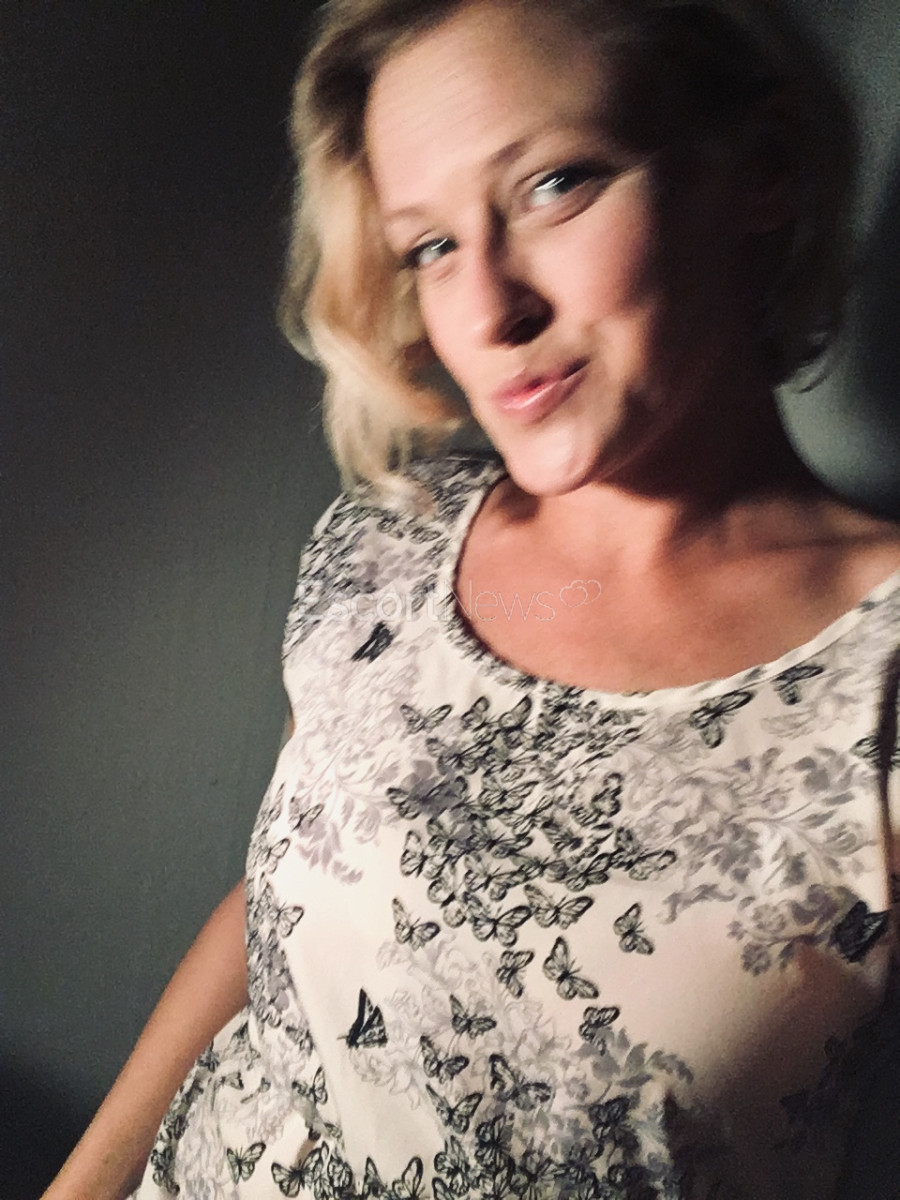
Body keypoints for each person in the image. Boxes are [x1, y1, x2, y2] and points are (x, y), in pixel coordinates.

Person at [43, 0, 900, 1197]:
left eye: (555, 185)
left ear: (762, 165)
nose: (491, 312)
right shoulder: (383, 548)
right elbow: (275, 906)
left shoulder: (876, 681)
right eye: (431, 246)